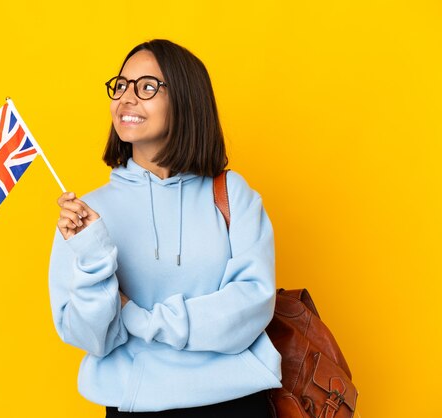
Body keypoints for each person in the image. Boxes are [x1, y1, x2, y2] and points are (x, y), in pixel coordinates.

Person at [48, 39, 282, 417]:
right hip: (135, 405)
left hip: (236, 403)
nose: (126, 98)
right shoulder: (86, 215)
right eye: (121, 85)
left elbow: (251, 306)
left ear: (186, 100)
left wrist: (141, 319)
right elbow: (91, 337)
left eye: (147, 87)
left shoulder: (231, 194)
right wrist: (93, 256)